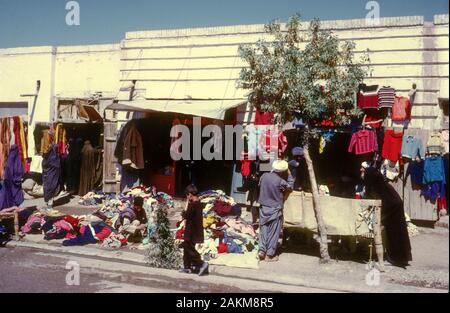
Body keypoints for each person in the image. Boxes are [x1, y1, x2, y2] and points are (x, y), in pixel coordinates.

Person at [360, 162, 412, 268]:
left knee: (394, 235)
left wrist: (383, 216)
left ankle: (396, 259)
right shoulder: (381, 184)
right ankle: (399, 258)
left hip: (393, 209)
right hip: (394, 208)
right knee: (397, 235)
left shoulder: (378, 186)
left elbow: (385, 202)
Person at [258, 160, 294, 262]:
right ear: (283, 171)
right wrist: (290, 175)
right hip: (275, 209)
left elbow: (262, 186)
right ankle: (269, 255)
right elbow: (290, 187)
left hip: (263, 207)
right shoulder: (280, 181)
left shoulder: (264, 176)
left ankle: (261, 251)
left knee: (263, 230)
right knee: (274, 232)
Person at [179, 184, 209, 276]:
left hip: (191, 230)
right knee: (187, 247)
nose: (187, 197)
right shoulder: (198, 204)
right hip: (194, 230)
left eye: (187, 195)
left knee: (189, 248)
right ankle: (187, 267)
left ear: (190, 194)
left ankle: (201, 263)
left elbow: (187, 216)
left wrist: (184, 211)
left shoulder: (193, 205)